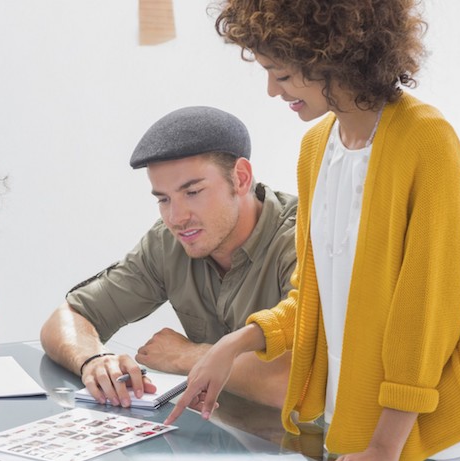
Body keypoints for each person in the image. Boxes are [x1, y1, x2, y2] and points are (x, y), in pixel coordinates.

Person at [166, 2, 460, 461]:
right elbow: (316, 295)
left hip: (437, 436)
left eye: (283, 74)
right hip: (360, 426)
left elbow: (428, 313)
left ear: (332, 57)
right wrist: (235, 344)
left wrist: (384, 445)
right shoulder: (316, 149)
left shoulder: (426, 142)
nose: (272, 90)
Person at [40, 106, 297, 409]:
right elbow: (65, 319)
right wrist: (94, 360)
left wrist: (185, 355)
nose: (176, 218)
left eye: (193, 192)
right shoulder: (169, 242)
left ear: (240, 178)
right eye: (163, 199)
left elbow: (292, 383)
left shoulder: (303, 239)